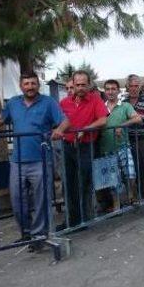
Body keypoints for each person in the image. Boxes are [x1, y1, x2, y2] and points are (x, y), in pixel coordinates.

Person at [0, 71, 69, 249]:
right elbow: (1, 118)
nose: (30, 87)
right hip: (17, 161)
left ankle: (38, 236)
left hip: (41, 160)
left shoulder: (48, 102)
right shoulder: (13, 103)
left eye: (33, 83)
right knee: (17, 200)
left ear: (38, 85)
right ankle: (27, 233)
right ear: (21, 86)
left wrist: (59, 130)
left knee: (41, 199)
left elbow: (65, 121)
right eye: (26, 84)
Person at [59, 71, 108, 227]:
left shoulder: (95, 100)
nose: (80, 88)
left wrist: (86, 129)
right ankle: (72, 220)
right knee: (68, 183)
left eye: (83, 85)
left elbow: (102, 120)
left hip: (86, 147)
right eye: (77, 84)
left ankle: (84, 218)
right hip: (67, 147)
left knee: (83, 182)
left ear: (88, 85)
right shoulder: (65, 102)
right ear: (73, 84)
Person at [97, 80, 142, 212]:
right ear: (105, 91)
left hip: (123, 146)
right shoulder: (100, 107)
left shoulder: (125, 106)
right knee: (112, 180)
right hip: (106, 148)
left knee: (131, 174)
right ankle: (117, 205)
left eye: (113, 89)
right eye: (108, 89)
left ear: (118, 91)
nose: (111, 91)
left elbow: (137, 118)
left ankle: (131, 196)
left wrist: (121, 125)